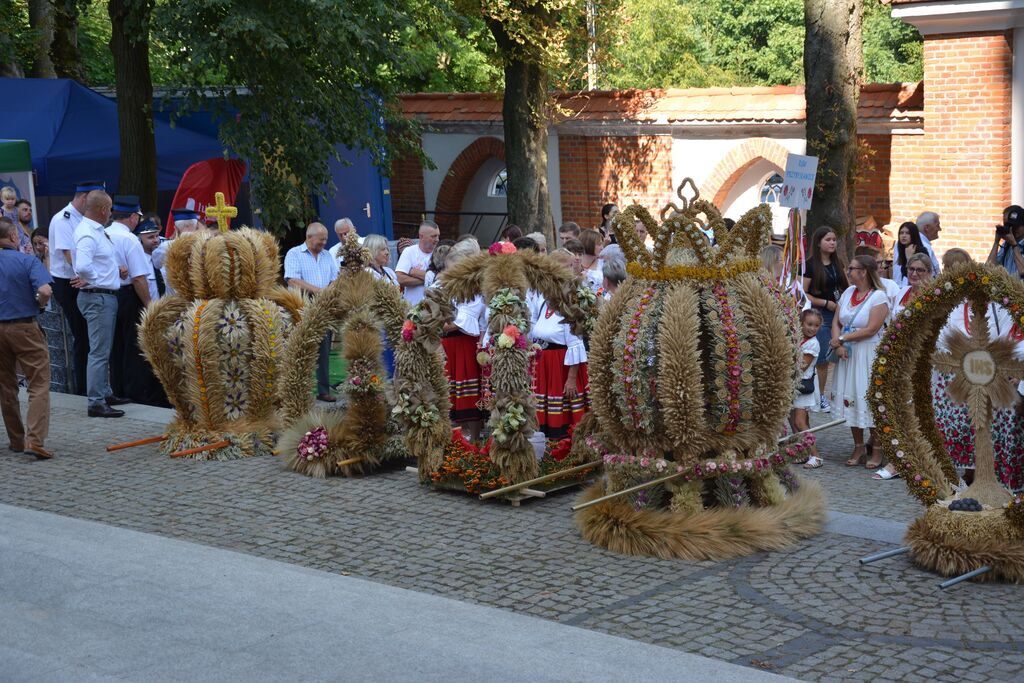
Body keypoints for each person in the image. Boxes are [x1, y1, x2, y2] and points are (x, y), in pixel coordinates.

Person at [933, 248, 1024, 492]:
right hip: (956, 372)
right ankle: (964, 475)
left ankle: (993, 477)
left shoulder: (998, 308)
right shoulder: (953, 305)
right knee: (960, 426)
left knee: (989, 427)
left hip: (991, 373)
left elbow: (1004, 339)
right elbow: (943, 336)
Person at [872, 252, 935, 481]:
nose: (915, 274)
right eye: (911, 269)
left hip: (922, 359)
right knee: (899, 409)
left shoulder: (933, 296)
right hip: (900, 358)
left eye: (920, 270)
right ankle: (901, 459)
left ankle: (906, 460)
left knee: (917, 411)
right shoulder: (903, 292)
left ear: (929, 272)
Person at [828, 254, 890, 470]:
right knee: (850, 397)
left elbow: (871, 328)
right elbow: (837, 320)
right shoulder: (847, 292)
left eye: (852, 269)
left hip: (868, 354)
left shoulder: (878, 297)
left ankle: (878, 448)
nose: (849, 272)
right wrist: (838, 344)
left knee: (868, 398)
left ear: (863, 272)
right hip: (847, 353)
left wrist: (842, 339)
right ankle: (858, 446)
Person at [0, 217, 54, 459]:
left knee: (6, 387)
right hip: (24, 326)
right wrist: (39, 304)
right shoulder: (26, 260)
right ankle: (34, 441)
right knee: (39, 383)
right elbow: (45, 290)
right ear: (13, 237)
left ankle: (16, 440)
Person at [72, 190, 128, 418]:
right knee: (99, 351)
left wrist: (112, 273)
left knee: (102, 349)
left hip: (101, 295)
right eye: (110, 208)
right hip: (98, 297)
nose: (111, 213)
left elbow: (93, 264)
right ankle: (96, 401)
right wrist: (99, 280)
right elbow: (84, 266)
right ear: (104, 209)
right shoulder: (88, 232)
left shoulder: (94, 231)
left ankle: (104, 392)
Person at [49, 179, 104, 395]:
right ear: (83, 198)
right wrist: (89, 276)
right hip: (69, 282)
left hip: (82, 279)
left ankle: (92, 385)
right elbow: (69, 255)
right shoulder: (64, 219)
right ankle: (83, 389)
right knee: (82, 336)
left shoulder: (83, 218)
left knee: (89, 337)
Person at [531, 250, 589, 439]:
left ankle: (567, 451)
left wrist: (571, 378)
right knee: (543, 413)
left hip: (561, 366)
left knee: (565, 415)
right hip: (544, 364)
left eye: (570, 266)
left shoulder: (570, 301)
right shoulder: (544, 300)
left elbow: (575, 343)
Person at [284, 222, 339, 401]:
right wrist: (318, 291)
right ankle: (299, 392)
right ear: (309, 237)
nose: (323, 244)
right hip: (302, 304)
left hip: (324, 305)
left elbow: (334, 279)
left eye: (325, 240)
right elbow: (292, 280)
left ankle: (323, 390)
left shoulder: (327, 255)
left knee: (323, 348)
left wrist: (329, 292)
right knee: (301, 348)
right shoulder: (294, 254)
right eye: (321, 240)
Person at [106, 195, 151, 400]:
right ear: (133, 216)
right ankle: (134, 392)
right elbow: (139, 278)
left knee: (115, 346)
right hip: (127, 295)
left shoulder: (103, 233)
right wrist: (149, 305)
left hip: (109, 293)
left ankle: (117, 389)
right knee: (133, 346)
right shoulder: (129, 239)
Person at [440, 239, 486, 441]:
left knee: (469, 394)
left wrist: (440, 322)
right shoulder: (448, 285)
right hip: (449, 344)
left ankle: (474, 437)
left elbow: (464, 319)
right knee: (452, 393)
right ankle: (461, 436)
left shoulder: (475, 288)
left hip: (465, 343)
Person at [801, 226, 847, 412]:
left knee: (830, 358)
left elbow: (846, 286)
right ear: (818, 242)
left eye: (834, 239)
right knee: (820, 358)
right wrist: (826, 303)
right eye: (828, 239)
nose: (832, 243)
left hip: (837, 312)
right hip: (819, 313)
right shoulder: (810, 265)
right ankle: (819, 396)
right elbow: (803, 292)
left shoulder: (838, 264)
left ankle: (824, 395)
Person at [363, 233, 399, 377]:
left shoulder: (389, 272)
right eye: (382, 249)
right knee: (382, 363)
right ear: (372, 251)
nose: (387, 252)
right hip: (378, 324)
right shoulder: (366, 273)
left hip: (392, 323)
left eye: (387, 249)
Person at [793, 309, 824, 469]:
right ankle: (803, 452)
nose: (812, 328)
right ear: (801, 323)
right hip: (794, 385)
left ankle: (816, 455)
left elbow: (802, 366)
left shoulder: (813, 344)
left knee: (800, 422)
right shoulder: (799, 339)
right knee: (794, 422)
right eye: (809, 324)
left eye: (816, 325)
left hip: (802, 385)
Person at [396, 220, 440, 305]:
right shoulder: (409, 252)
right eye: (433, 236)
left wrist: (412, 272)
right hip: (411, 309)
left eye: (438, 236)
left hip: (435, 311)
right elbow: (399, 278)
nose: (437, 239)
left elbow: (442, 278)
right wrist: (430, 279)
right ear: (421, 236)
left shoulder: (440, 253)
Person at [986, 204, 1024, 278]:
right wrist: (996, 242)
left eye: (1016, 226)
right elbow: (989, 268)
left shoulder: (1012, 244)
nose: (1012, 229)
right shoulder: (1007, 245)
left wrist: (1014, 245)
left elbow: (1022, 271)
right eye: (1008, 226)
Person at [894, 221, 925, 286]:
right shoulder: (902, 249)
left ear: (913, 235)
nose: (903, 236)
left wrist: (909, 259)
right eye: (901, 233)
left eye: (907, 233)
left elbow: (915, 273)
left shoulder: (921, 251)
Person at [578, 229, 604, 293]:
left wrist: (598, 295)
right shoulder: (574, 262)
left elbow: (605, 288)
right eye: (599, 244)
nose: (602, 247)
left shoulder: (603, 263)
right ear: (589, 244)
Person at [916, 211, 942, 275]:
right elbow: (928, 275)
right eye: (937, 226)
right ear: (927, 228)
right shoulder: (924, 247)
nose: (940, 229)